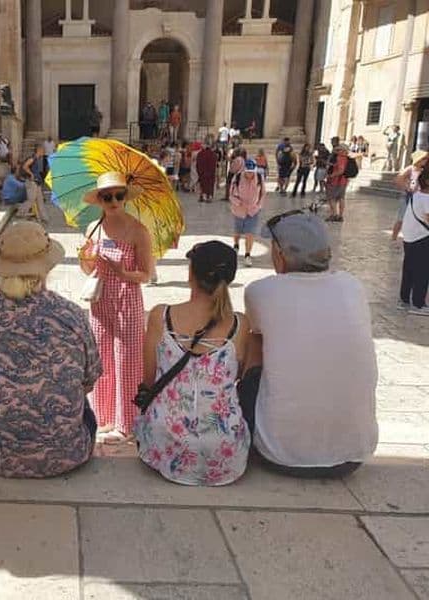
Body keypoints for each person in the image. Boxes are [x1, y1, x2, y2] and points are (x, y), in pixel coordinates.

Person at [0, 221, 102, 478]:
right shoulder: (70, 314)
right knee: (86, 408)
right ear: (47, 265)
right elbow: (89, 381)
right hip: (66, 455)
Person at [243, 211, 378, 477]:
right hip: (352, 456)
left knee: (255, 341)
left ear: (279, 254)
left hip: (279, 453)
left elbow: (254, 350)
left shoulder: (261, 292)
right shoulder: (353, 287)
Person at [136, 241, 251, 486]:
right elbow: (237, 375)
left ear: (191, 274)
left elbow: (148, 379)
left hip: (167, 442)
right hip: (225, 450)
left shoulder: (161, 316)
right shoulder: (240, 325)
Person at [78, 172, 153, 441]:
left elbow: (147, 274)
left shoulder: (138, 231)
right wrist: (85, 258)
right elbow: (88, 269)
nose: (113, 200)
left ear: (125, 197)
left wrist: (123, 273)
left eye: (119, 195)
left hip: (127, 300)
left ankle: (129, 420)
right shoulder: (94, 229)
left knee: (128, 358)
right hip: (100, 299)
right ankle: (105, 416)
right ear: (99, 199)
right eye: (107, 196)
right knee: (103, 357)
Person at [395, 153, 429, 315]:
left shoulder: (416, 195)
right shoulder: (426, 199)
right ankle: (418, 304)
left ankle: (404, 300)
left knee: (408, 268)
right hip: (421, 238)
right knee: (422, 271)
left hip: (409, 237)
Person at [230, 159, 266, 267]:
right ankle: (236, 245)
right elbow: (231, 194)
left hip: (253, 211)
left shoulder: (259, 178)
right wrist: (238, 202)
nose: (250, 174)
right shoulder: (237, 178)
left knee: (250, 233)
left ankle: (247, 255)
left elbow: (263, 193)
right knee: (238, 231)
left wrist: (258, 206)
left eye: (252, 172)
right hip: (239, 210)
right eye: (248, 171)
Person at [21, 144, 48, 221]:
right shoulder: (32, 158)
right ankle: (21, 212)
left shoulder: (37, 159)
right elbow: (25, 166)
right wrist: (31, 174)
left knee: (40, 200)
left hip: (37, 182)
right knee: (31, 199)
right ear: (39, 150)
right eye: (43, 150)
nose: (44, 151)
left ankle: (43, 217)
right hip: (32, 182)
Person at [325, 143, 350, 222]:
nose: (337, 151)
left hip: (336, 181)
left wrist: (331, 175)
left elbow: (341, 170)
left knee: (332, 198)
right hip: (344, 181)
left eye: (338, 150)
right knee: (341, 198)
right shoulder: (347, 158)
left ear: (343, 150)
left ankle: (334, 215)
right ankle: (340, 215)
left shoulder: (340, 158)